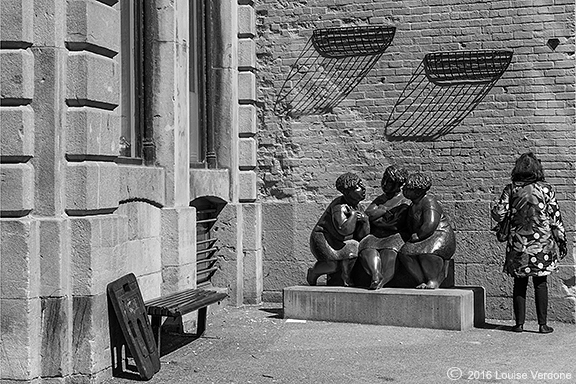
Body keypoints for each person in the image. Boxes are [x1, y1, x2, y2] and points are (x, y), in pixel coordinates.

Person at [491, 152, 567, 334]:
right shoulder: (547, 189)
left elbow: (498, 214)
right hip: (542, 244)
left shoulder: (511, 189)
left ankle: (519, 325)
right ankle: (542, 325)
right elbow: (555, 218)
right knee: (541, 282)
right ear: (538, 170)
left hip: (519, 244)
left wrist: (497, 209)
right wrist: (561, 241)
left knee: (520, 283)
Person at [307, 172, 370, 287]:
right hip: (324, 238)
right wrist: (353, 216)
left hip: (342, 241)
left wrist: (365, 221)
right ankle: (314, 272)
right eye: (358, 187)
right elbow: (344, 229)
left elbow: (362, 236)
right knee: (332, 265)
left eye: (362, 185)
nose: (363, 189)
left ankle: (346, 277)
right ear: (347, 192)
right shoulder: (339, 206)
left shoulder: (358, 207)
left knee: (353, 250)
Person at [398, 173, 456, 289]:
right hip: (422, 238)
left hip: (439, 235)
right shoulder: (413, 205)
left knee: (428, 252)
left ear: (418, 191)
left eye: (408, 189)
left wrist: (419, 236)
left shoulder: (429, 201)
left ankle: (433, 280)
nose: (404, 190)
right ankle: (421, 279)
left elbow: (430, 223)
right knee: (405, 253)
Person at [358, 166, 410, 290]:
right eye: (384, 180)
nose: (385, 184)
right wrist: (384, 212)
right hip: (376, 235)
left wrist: (379, 216)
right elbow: (368, 215)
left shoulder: (405, 201)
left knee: (389, 252)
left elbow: (395, 224)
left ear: (399, 184)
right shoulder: (381, 199)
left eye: (390, 182)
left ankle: (384, 280)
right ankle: (376, 275)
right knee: (367, 248)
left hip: (395, 235)